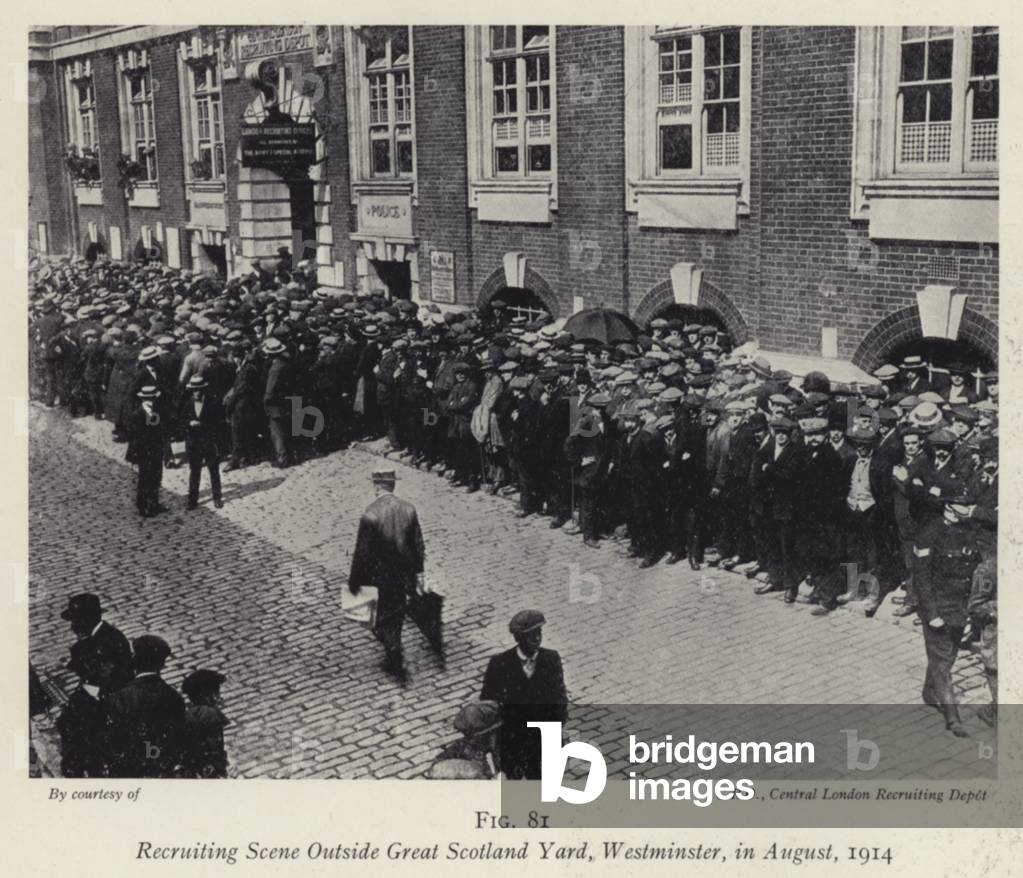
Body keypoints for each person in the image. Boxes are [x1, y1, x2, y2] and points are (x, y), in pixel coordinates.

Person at [913, 486, 982, 737]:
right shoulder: (929, 534)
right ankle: (952, 717)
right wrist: (931, 614)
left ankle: (930, 692)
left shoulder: (968, 531)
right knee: (943, 661)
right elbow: (921, 579)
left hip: (960, 609)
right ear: (949, 506)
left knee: (948, 656)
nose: (968, 509)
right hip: (939, 608)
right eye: (963, 505)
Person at [348, 469, 428, 684]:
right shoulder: (408, 508)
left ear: (376, 486)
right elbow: (418, 544)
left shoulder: (370, 513)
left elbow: (363, 551)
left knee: (378, 619)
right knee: (398, 613)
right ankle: (394, 650)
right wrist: (419, 572)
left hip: (380, 576)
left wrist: (355, 579)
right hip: (404, 574)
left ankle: (394, 652)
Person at [480, 610, 568, 780]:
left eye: (538, 633)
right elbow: (488, 701)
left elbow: (559, 698)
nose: (536, 639)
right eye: (530, 635)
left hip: (542, 736)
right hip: (512, 739)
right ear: (518, 639)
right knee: (513, 779)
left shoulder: (551, 659)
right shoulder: (500, 664)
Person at [105, 635, 186, 777]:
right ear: (161, 665)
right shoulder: (174, 697)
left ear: (135, 661)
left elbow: (114, 740)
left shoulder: (121, 697)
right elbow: (177, 741)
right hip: (160, 769)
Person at [179, 375, 224, 510]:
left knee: (214, 471)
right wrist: (189, 423)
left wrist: (204, 425)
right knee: (195, 472)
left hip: (209, 441)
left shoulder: (213, 403)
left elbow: (219, 423)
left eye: (198, 390)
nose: (196, 393)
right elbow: (181, 421)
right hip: (194, 443)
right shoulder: (188, 404)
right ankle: (193, 500)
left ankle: (217, 497)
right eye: (194, 390)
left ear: (203, 390)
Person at [427, 701, 503, 780]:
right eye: (469, 735)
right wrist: (473, 771)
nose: (472, 739)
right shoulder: (466, 746)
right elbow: (437, 767)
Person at [178, 669, 229, 778]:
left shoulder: (187, 715)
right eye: (217, 692)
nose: (219, 697)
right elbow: (215, 750)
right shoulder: (211, 715)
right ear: (208, 695)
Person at [126, 386, 167, 517]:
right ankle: (142, 505)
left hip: (156, 451)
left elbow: (161, 431)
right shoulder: (137, 415)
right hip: (144, 453)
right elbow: (134, 439)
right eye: (149, 400)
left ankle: (154, 503)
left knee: (156, 477)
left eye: (152, 399)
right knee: (144, 479)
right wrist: (135, 458)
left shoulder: (157, 412)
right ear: (144, 400)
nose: (152, 402)